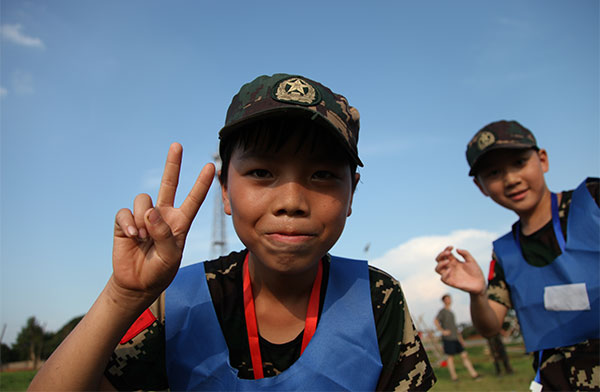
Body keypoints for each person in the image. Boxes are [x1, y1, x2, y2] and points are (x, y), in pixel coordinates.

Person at [29, 73, 436, 391]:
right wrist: (123, 296)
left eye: (323, 174)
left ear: (352, 194)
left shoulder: (376, 299)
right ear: (225, 192)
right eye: (262, 173)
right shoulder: (181, 304)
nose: (291, 200)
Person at [435, 120, 599, 391]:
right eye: (495, 172)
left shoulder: (593, 203)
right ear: (481, 187)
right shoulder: (505, 252)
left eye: (520, 162)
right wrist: (477, 294)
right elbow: (490, 327)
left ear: (542, 160)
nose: (511, 179)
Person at [434, 294, 479, 381]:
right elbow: (435, 321)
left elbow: (454, 327)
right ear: (444, 301)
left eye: (449, 299)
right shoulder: (442, 311)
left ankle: (474, 374)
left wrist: (460, 338)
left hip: (456, 338)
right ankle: (454, 377)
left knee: (464, 355)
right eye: (447, 299)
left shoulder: (451, 312)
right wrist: (442, 331)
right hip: (448, 339)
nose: (449, 300)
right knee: (450, 358)